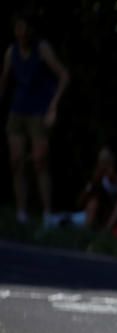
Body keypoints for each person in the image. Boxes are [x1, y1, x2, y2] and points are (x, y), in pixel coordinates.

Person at [0, 10, 69, 226]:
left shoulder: (42, 49)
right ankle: (22, 212)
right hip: (18, 110)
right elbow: (4, 80)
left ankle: (47, 213)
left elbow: (64, 75)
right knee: (16, 161)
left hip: (39, 111)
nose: (21, 33)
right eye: (17, 28)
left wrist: (53, 107)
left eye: (24, 28)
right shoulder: (11, 52)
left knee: (40, 161)